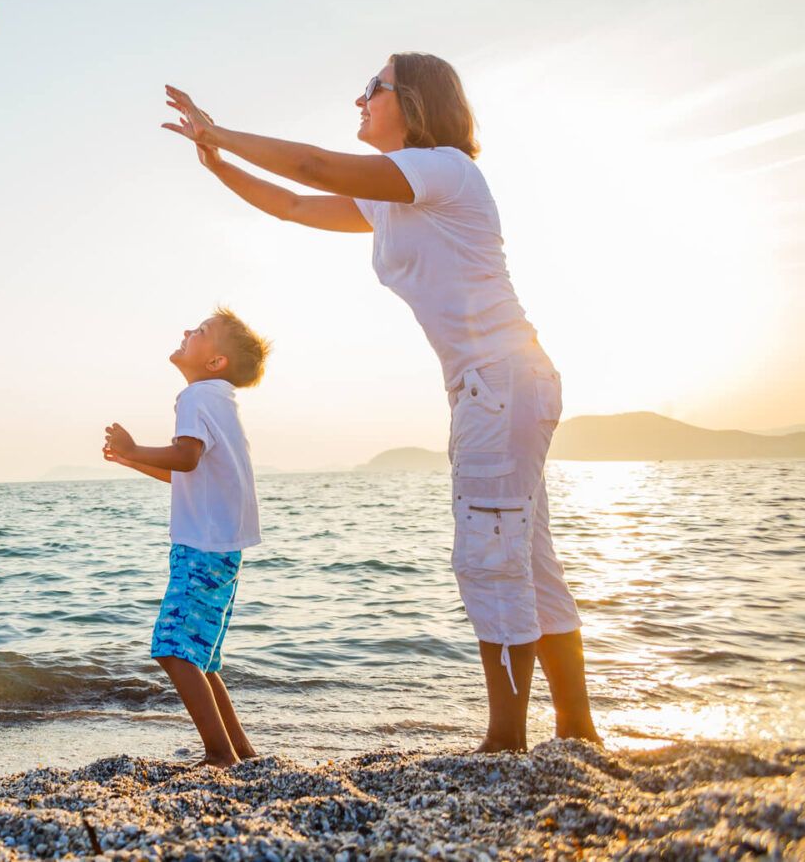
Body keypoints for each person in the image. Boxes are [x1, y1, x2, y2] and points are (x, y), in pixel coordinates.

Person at [161, 54, 600, 752]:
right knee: (525, 555)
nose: (360, 97)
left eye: (375, 88)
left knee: (491, 557)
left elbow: (312, 167)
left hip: (501, 380)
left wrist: (223, 130)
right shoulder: (396, 194)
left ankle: (508, 741)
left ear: (416, 103)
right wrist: (216, 160)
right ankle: (576, 731)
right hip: (496, 384)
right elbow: (297, 203)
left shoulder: (442, 170)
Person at [103, 309, 271, 768]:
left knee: (174, 649)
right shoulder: (220, 399)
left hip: (202, 546)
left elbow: (187, 457)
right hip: (220, 546)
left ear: (215, 361)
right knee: (202, 658)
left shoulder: (195, 396)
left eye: (198, 332)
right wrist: (132, 460)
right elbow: (186, 472)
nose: (185, 332)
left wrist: (136, 447)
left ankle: (219, 755)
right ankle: (240, 750)